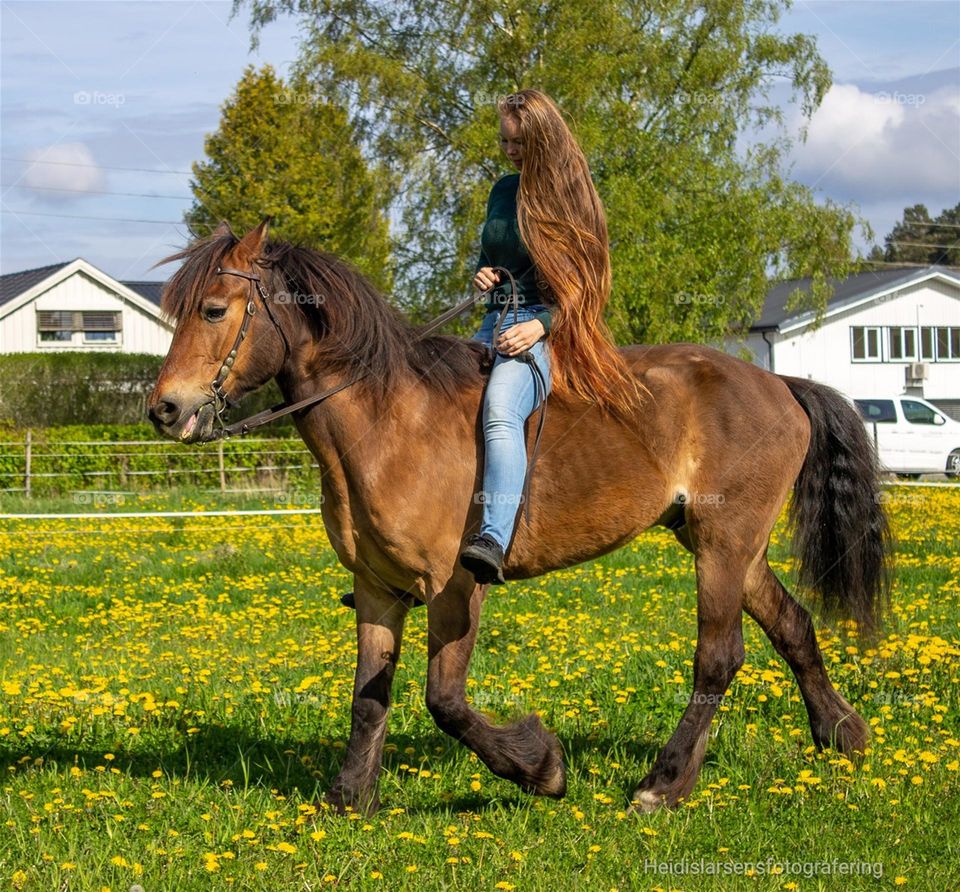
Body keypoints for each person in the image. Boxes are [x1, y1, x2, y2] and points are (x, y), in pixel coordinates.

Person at [458, 89, 646, 587]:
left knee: (500, 407)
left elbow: (589, 287)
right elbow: (495, 256)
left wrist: (540, 324)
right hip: (492, 322)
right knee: (425, 390)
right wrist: (484, 275)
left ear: (542, 139)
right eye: (503, 141)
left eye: (518, 142)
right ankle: (414, 550)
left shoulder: (573, 198)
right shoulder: (503, 189)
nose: (510, 151)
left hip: (546, 333)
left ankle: (494, 539)